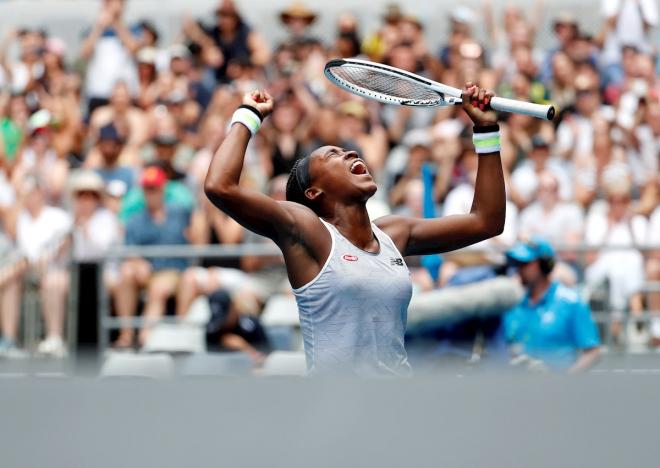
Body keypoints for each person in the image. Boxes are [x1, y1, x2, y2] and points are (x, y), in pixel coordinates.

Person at [204, 86, 506, 376]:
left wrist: (486, 131)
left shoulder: (394, 232)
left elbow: (486, 221)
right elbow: (220, 186)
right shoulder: (308, 231)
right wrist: (248, 115)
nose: (349, 154)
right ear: (313, 192)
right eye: (333, 155)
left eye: (348, 151)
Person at [113, 166, 191, 348]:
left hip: (174, 270)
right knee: (125, 274)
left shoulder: (180, 213)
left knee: (158, 288)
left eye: (154, 188)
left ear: (163, 188)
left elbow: (195, 235)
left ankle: (145, 339)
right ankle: (126, 334)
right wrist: (137, 262)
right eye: (147, 189)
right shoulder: (135, 219)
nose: (150, 193)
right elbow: (129, 251)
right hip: (148, 270)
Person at [503, 237, 601, 373]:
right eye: (518, 264)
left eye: (525, 264)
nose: (519, 269)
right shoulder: (512, 304)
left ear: (544, 265)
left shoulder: (571, 302)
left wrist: (564, 382)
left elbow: (592, 352)